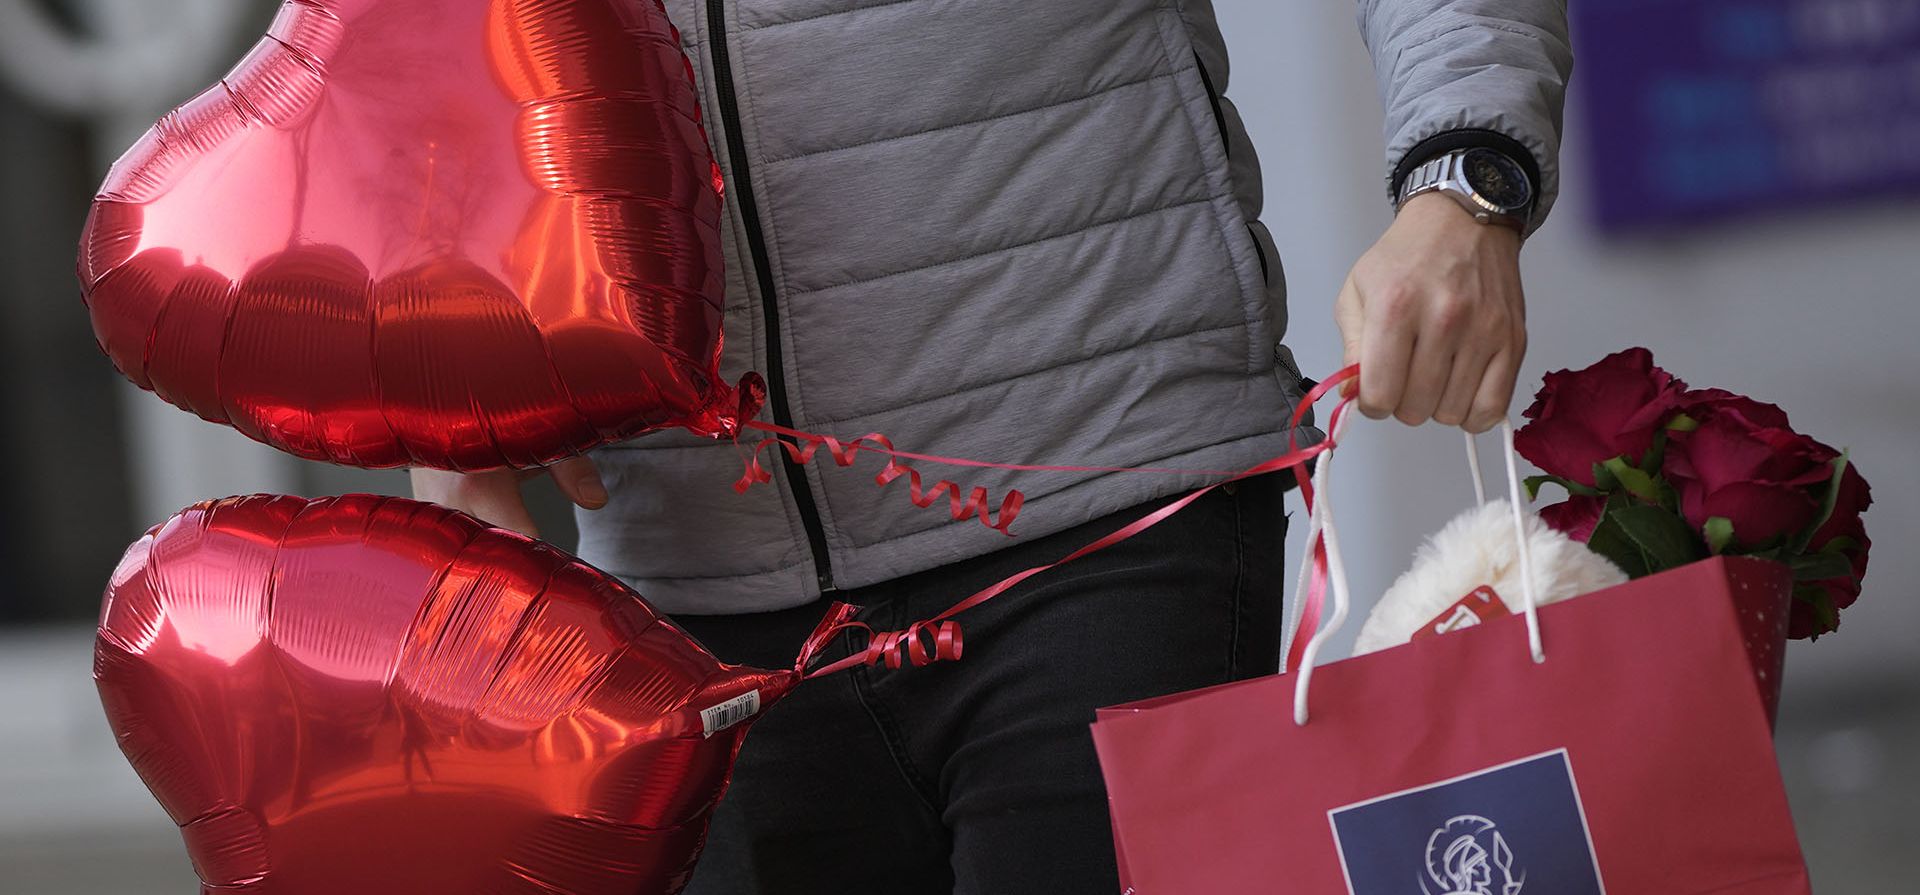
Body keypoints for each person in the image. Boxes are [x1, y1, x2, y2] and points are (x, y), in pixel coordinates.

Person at [414, 1, 1572, 892]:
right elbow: (400, 60)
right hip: (685, 592)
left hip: (1104, 498)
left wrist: (1463, 175)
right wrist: (427, 347)